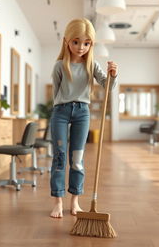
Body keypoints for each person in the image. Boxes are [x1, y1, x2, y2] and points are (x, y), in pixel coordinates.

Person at [50, 18, 118, 218]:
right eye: (76, 42)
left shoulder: (92, 65)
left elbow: (108, 87)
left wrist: (113, 75)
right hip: (60, 112)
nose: (81, 47)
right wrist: (65, 104)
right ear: (66, 41)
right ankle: (58, 202)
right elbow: (56, 94)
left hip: (82, 112)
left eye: (86, 43)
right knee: (60, 158)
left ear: (92, 44)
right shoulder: (59, 66)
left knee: (77, 160)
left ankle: (75, 202)